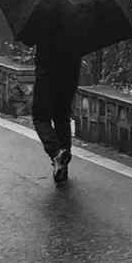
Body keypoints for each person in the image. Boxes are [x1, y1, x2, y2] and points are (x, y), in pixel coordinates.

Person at [32, 27, 81, 185]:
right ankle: (63, 166)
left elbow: (29, 39)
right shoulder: (79, 22)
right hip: (70, 74)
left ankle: (56, 152)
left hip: (47, 74)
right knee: (62, 117)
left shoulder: (43, 17)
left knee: (40, 118)